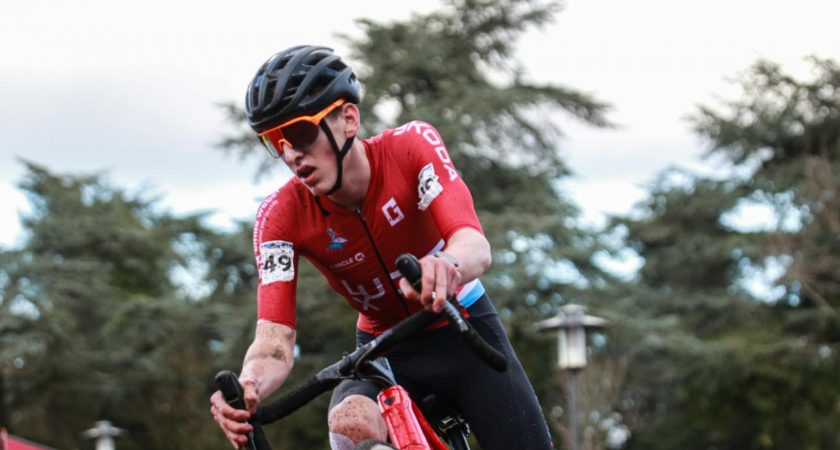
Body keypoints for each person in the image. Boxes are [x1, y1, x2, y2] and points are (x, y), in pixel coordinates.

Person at [209, 45, 553, 450]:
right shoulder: (280, 216)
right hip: (383, 350)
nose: (292, 155)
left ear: (348, 119)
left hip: (464, 330)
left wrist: (446, 263)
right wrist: (249, 383)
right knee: (350, 424)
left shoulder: (410, 147)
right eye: (275, 141)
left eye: (300, 133)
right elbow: (274, 340)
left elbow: (474, 245)